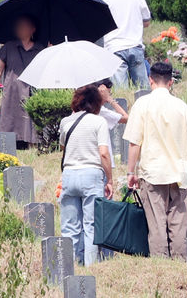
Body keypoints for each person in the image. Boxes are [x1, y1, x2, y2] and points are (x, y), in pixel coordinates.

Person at [124, 62, 187, 258]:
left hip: (153, 171)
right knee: (179, 224)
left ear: (150, 80)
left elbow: (134, 143)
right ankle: (180, 262)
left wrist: (131, 172)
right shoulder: (181, 106)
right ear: (171, 82)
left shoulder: (142, 104)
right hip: (179, 173)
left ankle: (161, 264)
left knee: (156, 223)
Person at [59, 84, 113, 266]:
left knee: (69, 226)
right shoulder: (99, 122)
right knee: (91, 225)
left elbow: (62, 148)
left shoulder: (66, 122)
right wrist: (110, 179)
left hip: (69, 174)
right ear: (97, 102)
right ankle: (91, 266)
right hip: (91, 174)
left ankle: (70, 265)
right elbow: (104, 153)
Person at [0, 15, 45, 149]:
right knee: (9, 115)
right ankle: (6, 145)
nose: (22, 29)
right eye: (20, 27)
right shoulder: (9, 46)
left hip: (32, 90)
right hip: (12, 89)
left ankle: (32, 145)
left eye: (26, 26)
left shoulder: (40, 48)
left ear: (33, 29)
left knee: (31, 118)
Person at [100, 0, 151, 89]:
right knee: (143, 88)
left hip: (114, 48)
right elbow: (147, 22)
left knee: (120, 90)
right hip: (135, 46)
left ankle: (125, 107)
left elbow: (99, 23)